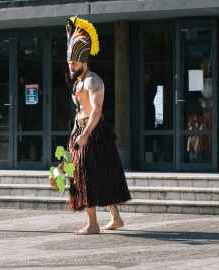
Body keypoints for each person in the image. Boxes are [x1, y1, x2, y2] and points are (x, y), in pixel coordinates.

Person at [65, 16, 131, 235]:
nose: (71, 66)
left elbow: (96, 111)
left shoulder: (93, 81)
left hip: (94, 134)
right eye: (69, 63)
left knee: (91, 175)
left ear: (84, 60)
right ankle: (116, 219)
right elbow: (79, 112)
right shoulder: (77, 83)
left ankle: (93, 224)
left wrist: (85, 134)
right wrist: (76, 135)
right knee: (81, 173)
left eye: (73, 63)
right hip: (80, 131)